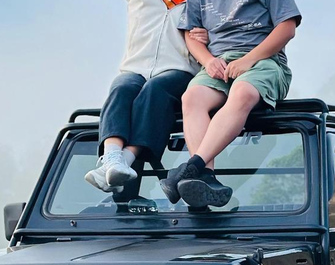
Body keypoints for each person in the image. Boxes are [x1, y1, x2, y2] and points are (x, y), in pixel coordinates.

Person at [160, 0, 302, 208]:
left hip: (265, 62)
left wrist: (249, 60)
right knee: (191, 98)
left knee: (242, 91)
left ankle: (193, 166)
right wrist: (208, 61)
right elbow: (191, 36)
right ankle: (204, 175)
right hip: (219, 63)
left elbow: (287, 28)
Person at [85, 0, 209, 194]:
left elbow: (225, 25)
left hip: (180, 69)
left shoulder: (201, 4)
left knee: (156, 89)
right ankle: (111, 159)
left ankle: (125, 160)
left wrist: (209, 35)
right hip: (136, 67)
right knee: (121, 88)